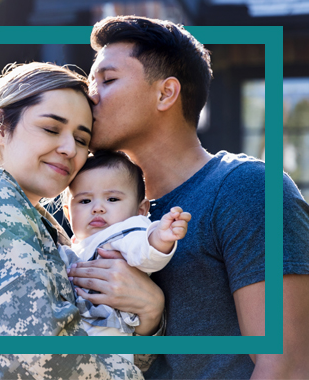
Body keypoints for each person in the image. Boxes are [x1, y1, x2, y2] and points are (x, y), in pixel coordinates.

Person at [67, 16, 309, 379]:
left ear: (166, 93)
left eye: (108, 80)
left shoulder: (247, 189)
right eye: (90, 82)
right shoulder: (96, 209)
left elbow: (286, 365)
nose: (91, 95)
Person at [0, 61, 145, 379]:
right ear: (1, 126)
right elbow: (40, 354)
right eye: (51, 129)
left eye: (81, 139)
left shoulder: (45, 225)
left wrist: (150, 312)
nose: (68, 149)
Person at [59, 150, 191, 362]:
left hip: (109, 335)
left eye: (112, 199)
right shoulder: (75, 245)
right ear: (68, 212)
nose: (98, 208)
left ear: (141, 210)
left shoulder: (124, 232)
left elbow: (144, 253)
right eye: (84, 201)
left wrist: (160, 237)